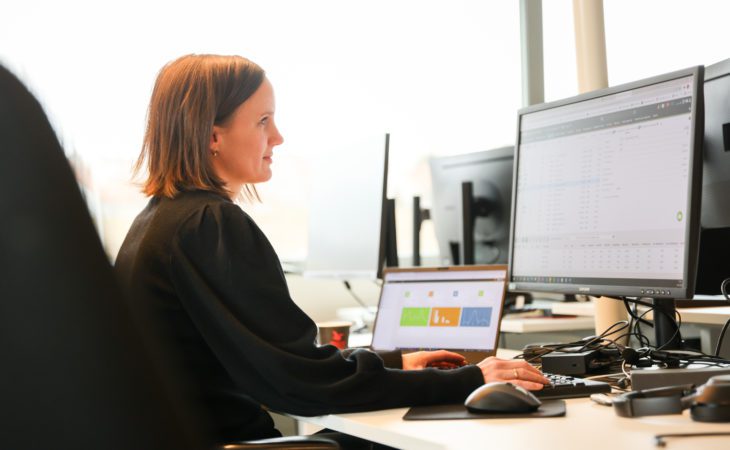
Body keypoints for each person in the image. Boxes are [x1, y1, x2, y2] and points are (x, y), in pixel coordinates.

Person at [115, 54, 548, 444]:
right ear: (214, 136)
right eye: (263, 121)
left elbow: (282, 361)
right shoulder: (209, 225)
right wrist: (469, 378)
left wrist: (397, 363)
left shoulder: (159, 220)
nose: (278, 137)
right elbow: (299, 384)